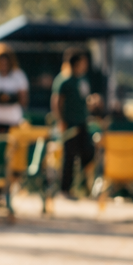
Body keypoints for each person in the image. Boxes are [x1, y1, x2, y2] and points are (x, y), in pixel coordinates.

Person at [52, 50, 95, 198]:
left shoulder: (82, 79)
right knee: (69, 156)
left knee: (88, 152)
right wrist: (60, 120)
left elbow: (85, 99)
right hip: (70, 123)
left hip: (83, 122)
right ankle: (65, 189)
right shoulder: (64, 80)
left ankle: (84, 186)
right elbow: (57, 101)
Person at [0, 44, 29, 133]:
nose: (4, 64)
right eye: (1, 61)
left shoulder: (19, 75)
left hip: (13, 119)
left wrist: (10, 98)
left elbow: (23, 98)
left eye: (6, 61)